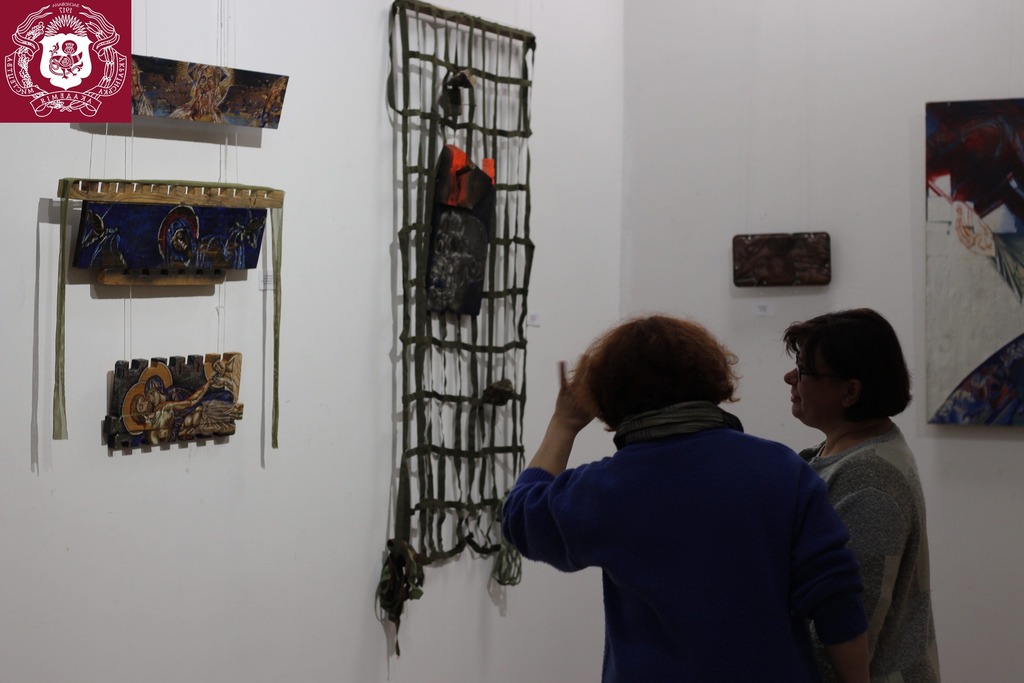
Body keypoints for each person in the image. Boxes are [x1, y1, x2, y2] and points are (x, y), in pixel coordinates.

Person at [502, 314, 870, 682]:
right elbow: (835, 600)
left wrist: (563, 424)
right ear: (710, 378)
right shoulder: (782, 469)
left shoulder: (605, 488)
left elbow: (521, 517)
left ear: (608, 398)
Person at [782, 308, 941, 682]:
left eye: (803, 371)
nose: (790, 378)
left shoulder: (870, 478)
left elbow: (850, 629)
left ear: (850, 391)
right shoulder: (847, 454)